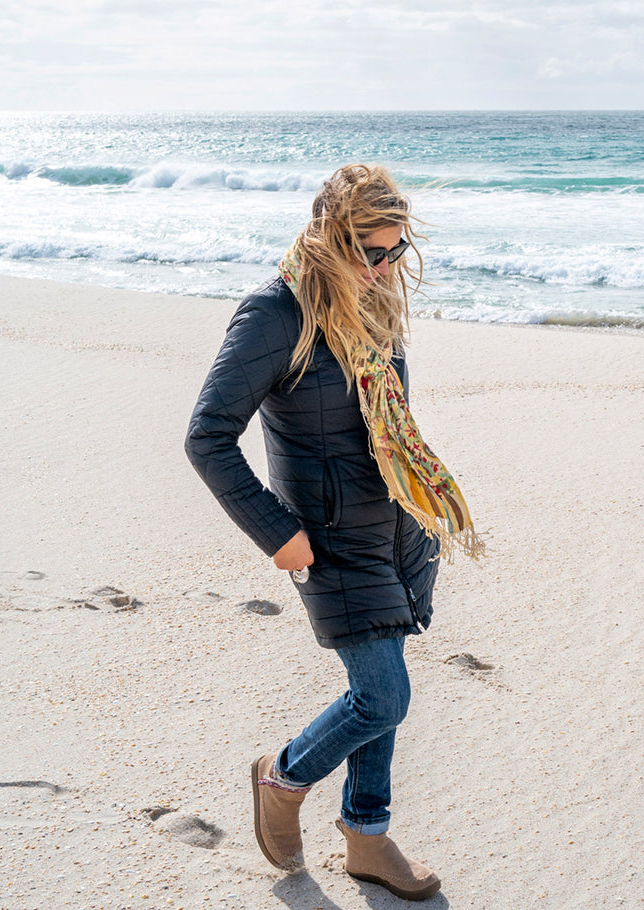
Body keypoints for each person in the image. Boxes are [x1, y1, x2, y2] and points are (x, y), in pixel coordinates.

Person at [185, 163, 480, 901]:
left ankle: (368, 837)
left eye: (394, 252)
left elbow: (385, 424)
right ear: (327, 234)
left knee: (384, 689)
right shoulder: (274, 314)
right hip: (330, 539)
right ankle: (281, 778)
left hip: (399, 530)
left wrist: (423, 505)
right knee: (382, 698)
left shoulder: (374, 307)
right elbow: (208, 435)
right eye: (368, 251)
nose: (382, 268)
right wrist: (277, 532)